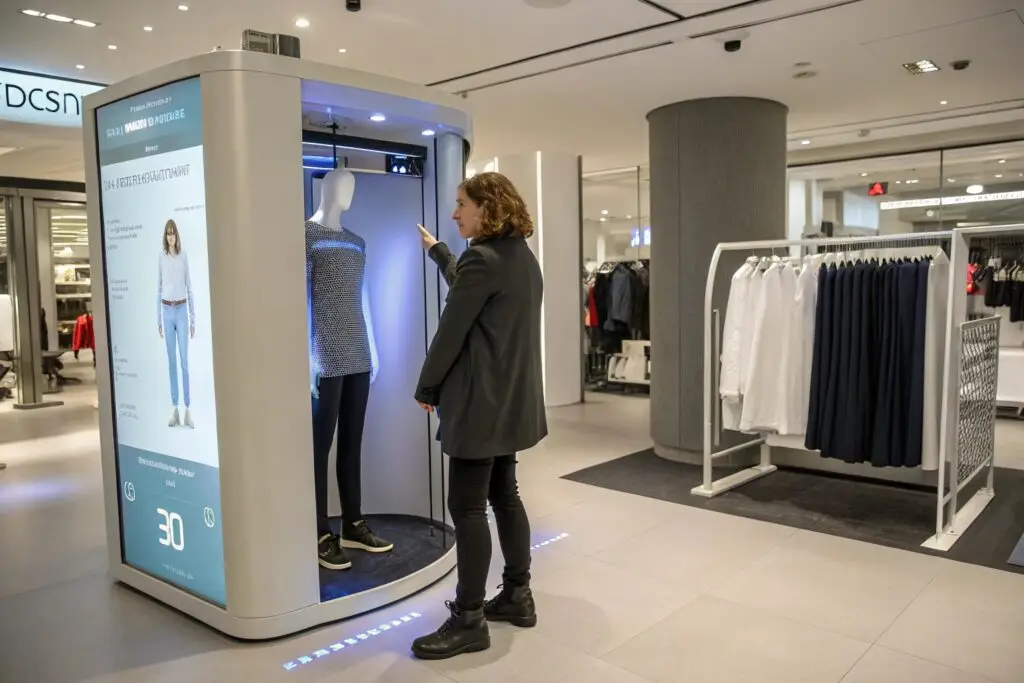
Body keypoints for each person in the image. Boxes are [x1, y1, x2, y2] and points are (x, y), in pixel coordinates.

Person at [410, 172, 547, 660]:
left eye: (461, 204)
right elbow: (474, 290)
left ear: (487, 208)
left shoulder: (482, 260)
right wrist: (441, 253)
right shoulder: (521, 259)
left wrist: (427, 386)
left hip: (480, 405)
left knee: (467, 507)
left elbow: (452, 330)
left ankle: (468, 619)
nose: (454, 213)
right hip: (510, 402)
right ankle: (517, 594)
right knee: (504, 495)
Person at [157, 218, 195, 429]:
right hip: (166, 310)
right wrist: (158, 318)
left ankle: (188, 409)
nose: (170, 236)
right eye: (168, 233)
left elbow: (189, 287)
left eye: (173, 233)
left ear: (176, 235)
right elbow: (158, 287)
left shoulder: (183, 257)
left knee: (184, 362)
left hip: (181, 310)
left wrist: (192, 318)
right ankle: (175, 408)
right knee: (171, 361)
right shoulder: (161, 258)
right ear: (165, 236)